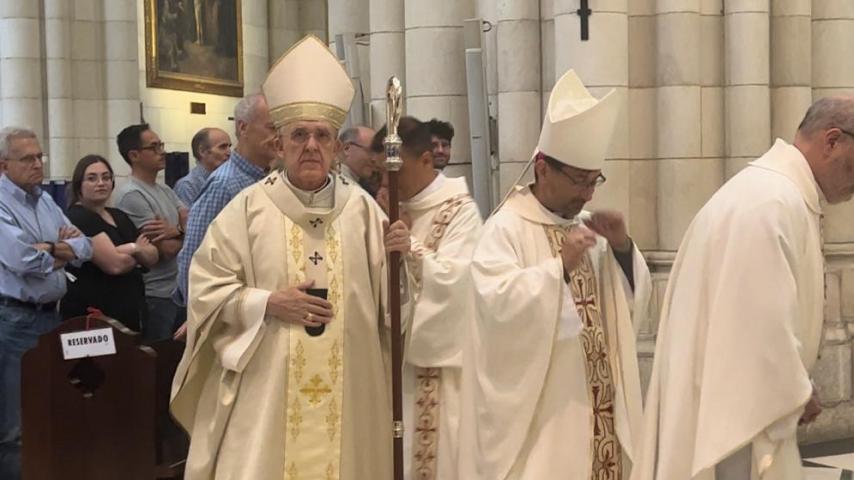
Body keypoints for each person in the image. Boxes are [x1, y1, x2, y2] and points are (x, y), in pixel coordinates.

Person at [170, 35, 412, 479]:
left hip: (351, 396)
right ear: (279, 146)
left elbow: (394, 310)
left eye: (322, 136)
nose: (311, 146)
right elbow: (204, 289)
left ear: (338, 149)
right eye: (299, 135)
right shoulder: (246, 210)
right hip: (268, 392)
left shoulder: (362, 211)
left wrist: (403, 263)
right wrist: (267, 303)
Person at [631, 97, 854, 480]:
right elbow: (759, 331)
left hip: (729, 406)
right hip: (734, 428)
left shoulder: (771, 193)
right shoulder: (771, 203)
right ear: (832, 141)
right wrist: (798, 391)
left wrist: (797, 384)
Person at [458, 70, 652, 480]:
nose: (588, 194)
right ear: (543, 168)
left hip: (602, 413)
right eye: (579, 180)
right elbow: (492, 312)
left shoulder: (588, 231)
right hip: (544, 421)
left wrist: (621, 250)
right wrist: (556, 271)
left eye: (593, 180)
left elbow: (626, 311)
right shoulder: (505, 228)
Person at [372, 117, 483, 480]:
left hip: (435, 373)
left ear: (424, 161)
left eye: (395, 170)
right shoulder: (383, 208)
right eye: (380, 173)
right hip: (385, 365)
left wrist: (411, 248)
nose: (388, 182)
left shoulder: (460, 211)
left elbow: (459, 282)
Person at [0, 127, 93, 479]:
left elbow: (85, 248)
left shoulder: (45, 200)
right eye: (28, 159)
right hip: (14, 321)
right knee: (15, 428)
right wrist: (60, 248)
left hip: (53, 318)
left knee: (50, 414)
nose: (37, 164)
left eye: (40, 157)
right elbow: (22, 260)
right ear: (4, 165)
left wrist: (52, 248)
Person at [173, 93, 278, 324]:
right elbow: (194, 255)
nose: (277, 137)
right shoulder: (224, 183)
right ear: (243, 127)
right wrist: (197, 316)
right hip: (226, 316)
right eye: (271, 128)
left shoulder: (267, 179)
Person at [60, 155, 159, 331]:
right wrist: (135, 248)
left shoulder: (119, 215)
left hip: (130, 311)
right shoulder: (78, 217)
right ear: (78, 185)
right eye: (92, 178)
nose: (101, 183)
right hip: (94, 316)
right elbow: (115, 265)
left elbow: (153, 256)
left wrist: (123, 251)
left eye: (106, 177)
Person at [114, 124, 188, 343]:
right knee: (159, 363)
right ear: (134, 155)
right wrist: (185, 233)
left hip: (178, 289)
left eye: (161, 145)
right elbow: (164, 250)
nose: (162, 152)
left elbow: (191, 222)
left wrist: (177, 230)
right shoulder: (132, 195)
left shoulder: (165, 189)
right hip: (156, 295)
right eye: (154, 147)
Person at [173, 127, 231, 206]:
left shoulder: (226, 180)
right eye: (222, 147)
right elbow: (189, 218)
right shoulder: (187, 186)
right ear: (202, 151)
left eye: (229, 146)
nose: (229, 152)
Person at [337, 125, 381, 194]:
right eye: (370, 151)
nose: (374, 159)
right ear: (346, 148)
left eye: (376, 153)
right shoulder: (338, 185)